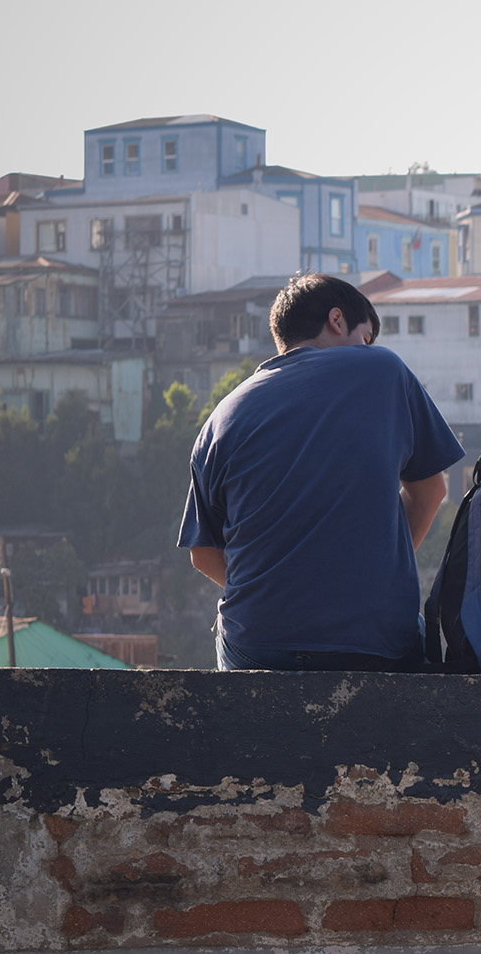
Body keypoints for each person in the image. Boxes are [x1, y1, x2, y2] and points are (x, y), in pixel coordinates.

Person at [179, 273, 463, 670]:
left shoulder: (223, 415)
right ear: (336, 320)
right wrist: (377, 570)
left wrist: (274, 593)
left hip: (257, 644)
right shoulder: (381, 369)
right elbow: (430, 490)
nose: (367, 349)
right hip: (370, 643)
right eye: (365, 338)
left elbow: (202, 552)